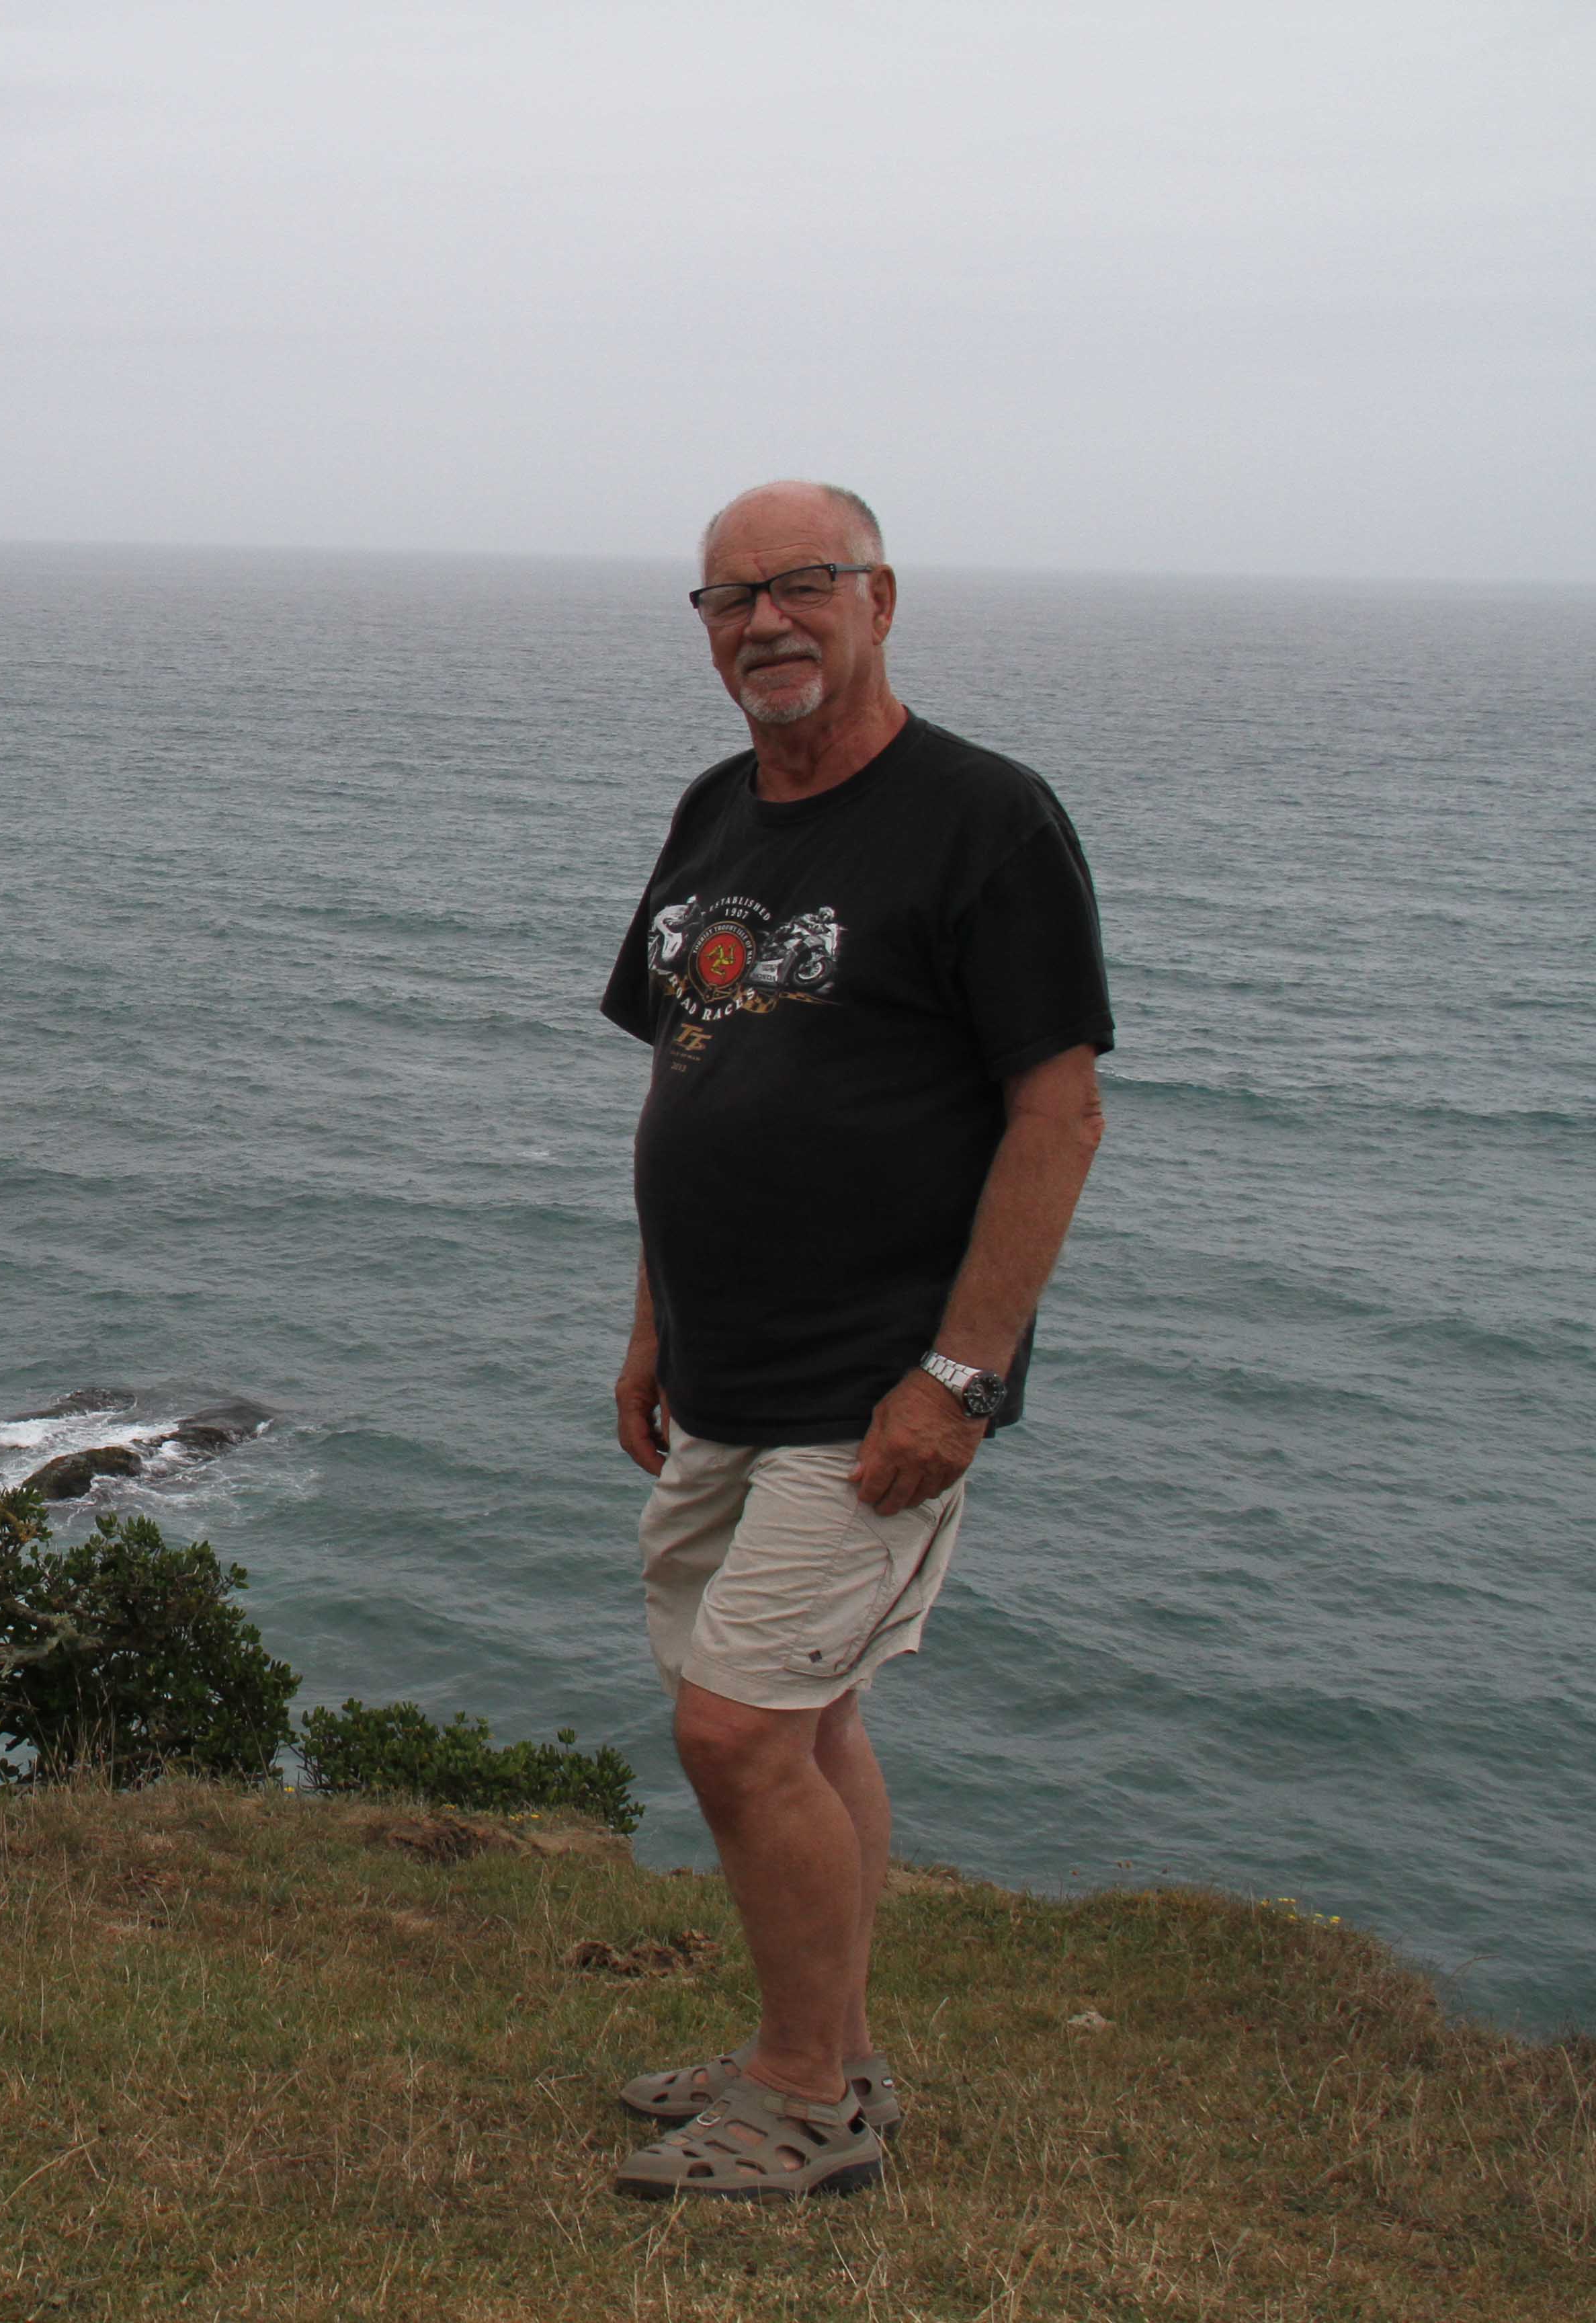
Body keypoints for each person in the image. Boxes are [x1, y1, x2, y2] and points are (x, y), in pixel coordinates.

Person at [595, 481, 1113, 2200]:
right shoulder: (713, 811)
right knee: (802, 1727)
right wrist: (652, 1328)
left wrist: (959, 1379)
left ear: (883, 597)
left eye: (804, 585)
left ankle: (804, 2096)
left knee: (739, 1733)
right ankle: (826, 2047)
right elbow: (688, 1078)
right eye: (730, 598)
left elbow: (1058, 1113)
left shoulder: (985, 820)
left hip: (876, 1380)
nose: (767, 623)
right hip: (724, 1369)